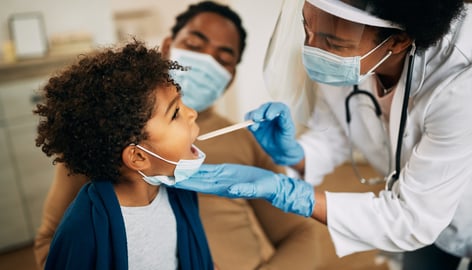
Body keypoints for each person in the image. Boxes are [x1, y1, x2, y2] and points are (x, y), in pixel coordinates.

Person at [173, 0, 472, 269]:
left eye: (333, 45)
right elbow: (334, 134)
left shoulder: (464, 83)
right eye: (308, 30)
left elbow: (411, 219)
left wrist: (293, 194)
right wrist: (296, 155)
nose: (314, 50)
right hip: (429, 227)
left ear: (397, 41)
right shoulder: (348, 55)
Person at [33, 2, 324, 270]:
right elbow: (53, 243)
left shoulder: (247, 138)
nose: (205, 62)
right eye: (195, 45)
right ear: (168, 46)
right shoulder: (98, 141)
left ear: (232, 75)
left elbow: (300, 234)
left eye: (223, 58)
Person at [34, 40, 213, 269]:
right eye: (175, 113)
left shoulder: (181, 194)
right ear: (138, 157)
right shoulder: (81, 231)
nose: (193, 113)